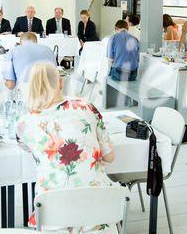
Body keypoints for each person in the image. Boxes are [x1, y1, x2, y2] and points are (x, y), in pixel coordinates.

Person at [17, 62, 115, 233]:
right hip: (99, 212)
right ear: (61, 83)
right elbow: (110, 157)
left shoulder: (24, 124)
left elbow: (28, 148)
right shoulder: (86, 107)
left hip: (53, 218)